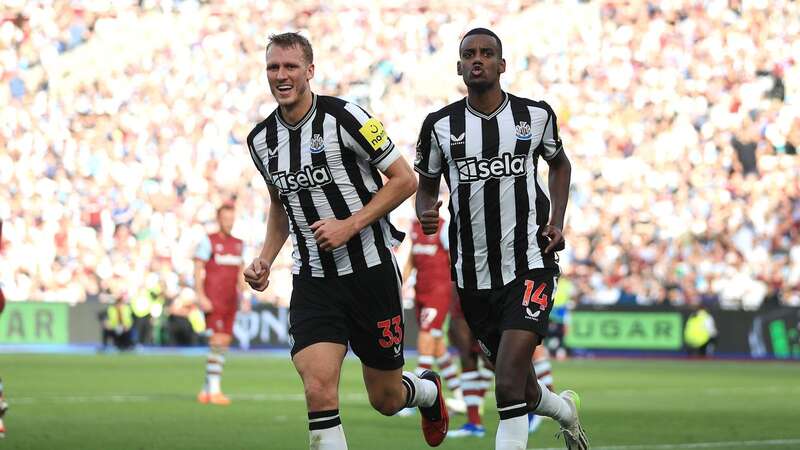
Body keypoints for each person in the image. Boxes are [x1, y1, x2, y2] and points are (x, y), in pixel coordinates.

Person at [243, 32, 448, 449]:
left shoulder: (348, 116)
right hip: (314, 281)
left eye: (290, 67)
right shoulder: (261, 140)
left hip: (370, 272)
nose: (281, 75)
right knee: (318, 388)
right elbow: (281, 206)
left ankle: (425, 392)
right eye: (273, 67)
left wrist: (350, 224)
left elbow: (405, 180)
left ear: (310, 71)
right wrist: (265, 258)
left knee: (387, 399)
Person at [414, 28, 588, 450]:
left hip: (531, 263)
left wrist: (558, 221)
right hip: (473, 278)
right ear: (459, 67)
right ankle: (565, 412)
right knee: (521, 387)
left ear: (501, 65)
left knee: (507, 386)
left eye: (487, 53)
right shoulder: (439, 127)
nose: (478, 59)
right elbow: (426, 186)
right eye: (469, 54)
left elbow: (559, 165)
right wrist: (426, 210)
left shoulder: (536, 116)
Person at [195, 203, 247, 406]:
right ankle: (215, 391)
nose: (229, 222)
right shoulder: (208, 242)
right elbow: (198, 269)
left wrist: (245, 296)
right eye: (226, 219)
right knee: (217, 341)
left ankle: (206, 389)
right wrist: (201, 295)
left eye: (231, 219)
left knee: (223, 343)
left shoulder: (239, 244)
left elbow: (240, 275)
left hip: (230, 300)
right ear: (219, 219)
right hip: (213, 299)